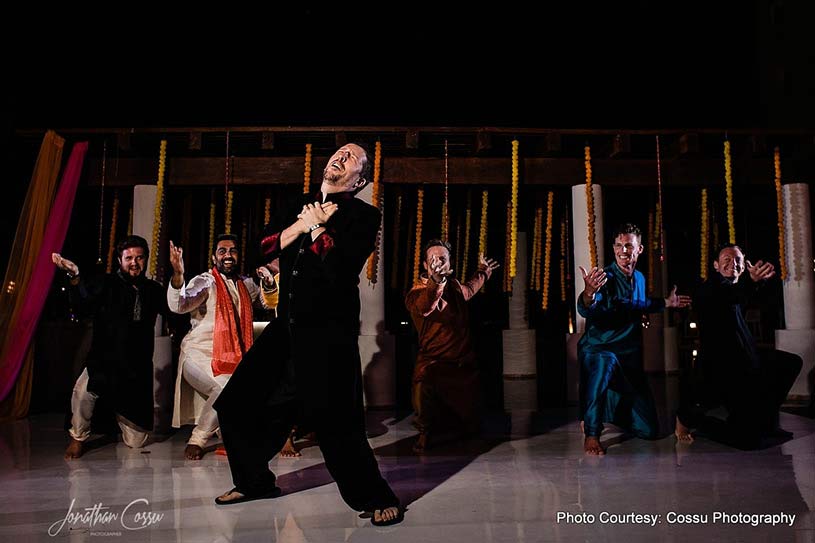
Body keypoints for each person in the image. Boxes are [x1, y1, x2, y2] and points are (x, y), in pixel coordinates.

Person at [213, 143, 403, 526]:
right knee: (234, 406)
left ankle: (377, 497)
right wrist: (301, 224)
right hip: (288, 327)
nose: (340, 157)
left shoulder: (365, 216)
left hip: (329, 335)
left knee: (339, 425)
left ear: (359, 179)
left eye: (351, 158)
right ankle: (254, 482)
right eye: (340, 152)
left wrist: (317, 226)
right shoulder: (297, 203)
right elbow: (258, 250)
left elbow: (339, 266)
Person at [577, 223, 691, 455]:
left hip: (628, 359)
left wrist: (666, 303)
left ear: (639, 249)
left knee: (648, 431)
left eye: (629, 245)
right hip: (599, 349)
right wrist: (588, 293)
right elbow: (589, 308)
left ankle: (603, 408)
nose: (623, 250)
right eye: (619, 245)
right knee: (604, 362)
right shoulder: (604, 277)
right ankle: (592, 431)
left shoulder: (638, 277)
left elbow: (639, 303)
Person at [674, 243, 802, 447]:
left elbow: (743, 295)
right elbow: (727, 297)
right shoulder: (708, 290)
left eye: (737, 261)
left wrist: (757, 282)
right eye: (726, 259)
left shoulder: (739, 288)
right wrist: (751, 282)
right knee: (748, 441)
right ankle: (695, 422)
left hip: (748, 362)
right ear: (716, 265)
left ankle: (765, 421)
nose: (732, 264)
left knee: (790, 362)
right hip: (721, 370)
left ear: (743, 267)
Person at [53, 235, 168, 459]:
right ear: (119, 260)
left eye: (139, 258)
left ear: (145, 260)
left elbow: (174, 310)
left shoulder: (153, 289)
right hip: (104, 360)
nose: (134, 262)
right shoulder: (105, 284)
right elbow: (83, 305)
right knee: (82, 392)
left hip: (136, 368)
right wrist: (75, 275)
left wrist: (179, 277)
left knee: (136, 443)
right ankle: (78, 436)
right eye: (128, 258)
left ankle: (117, 415)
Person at [167, 234, 279, 460]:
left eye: (233, 251)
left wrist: (268, 282)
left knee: (248, 386)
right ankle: (197, 439)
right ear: (214, 257)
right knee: (228, 387)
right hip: (198, 355)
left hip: (233, 358)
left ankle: (227, 432)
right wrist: (178, 275)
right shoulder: (205, 281)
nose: (228, 255)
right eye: (222, 251)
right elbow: (179, 304)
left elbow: (268, 303)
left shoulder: (246, 284)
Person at [405, 239, 499, 453]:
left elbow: (470, 289)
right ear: (425, 266)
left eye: (443, 259)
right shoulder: (416, 292)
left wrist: (483, 271)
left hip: (462, 361)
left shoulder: (455, 286)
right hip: (433, 361)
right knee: (423, 383)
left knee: (471, 424)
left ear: (450, 263)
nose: (438, 263)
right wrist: (436, 282)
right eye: (433, 260)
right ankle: (424, 433)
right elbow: (427, 306)